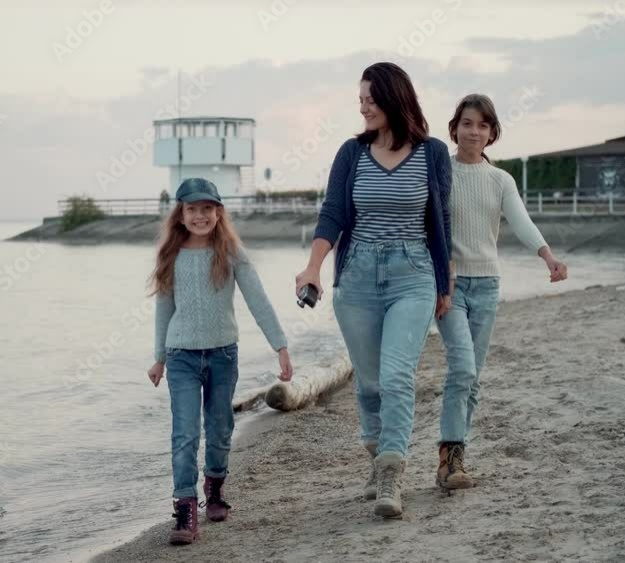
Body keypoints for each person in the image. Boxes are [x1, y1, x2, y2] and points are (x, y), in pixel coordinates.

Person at [295, 62, 453, 518]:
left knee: (397, 376)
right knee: (368, 383)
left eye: (370, 99)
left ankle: (391, 473)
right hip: (358, 276)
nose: (363, 107)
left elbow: (442, 221)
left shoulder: (432, 153)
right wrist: (313, 267)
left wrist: (445, 281)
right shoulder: (352, 153)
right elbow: (333, 214)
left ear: (394, 98)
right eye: (360, 100)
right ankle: (377, 454)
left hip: (413, 274)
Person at [148, 177, 294, 545]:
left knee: (219, 428)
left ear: (218, 212)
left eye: (207, 209)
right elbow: (163, 309)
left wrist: (280, 346)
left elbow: (258, 299)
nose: (200, 216)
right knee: (184, 433)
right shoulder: (170, 254)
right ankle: (185, 509)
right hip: (181, 357)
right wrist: (159, 358)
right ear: (181, 214)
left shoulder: (231, 252)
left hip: (223, 355)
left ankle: (214, 488)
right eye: (192, 209)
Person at [436, 94, 568, 489]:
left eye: (483, 125)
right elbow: (429, 223)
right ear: (454, 128)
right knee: (462, 368)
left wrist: (548, 257)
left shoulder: (500, 180)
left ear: (492, 133)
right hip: (450, 286)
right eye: (467, 123)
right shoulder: (441, 172)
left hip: (487, 286)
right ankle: (450, 460)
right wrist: (440, 270)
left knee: (472, 378)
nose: (474, 132)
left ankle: (452, 461)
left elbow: (521, 221)